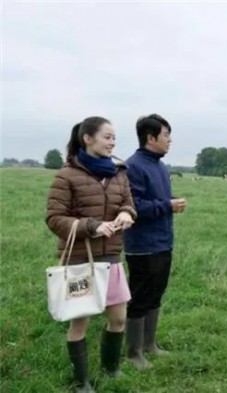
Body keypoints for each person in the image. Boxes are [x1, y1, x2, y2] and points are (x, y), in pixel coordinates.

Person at [46, 116, 137, 393]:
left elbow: (128, 203)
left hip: (111, 256)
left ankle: (111, 369)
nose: (112, 142)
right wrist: (92, 226)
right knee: (80, 321)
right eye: (107, 137)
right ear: (88, 138)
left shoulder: (119, 172)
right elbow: (54, 218)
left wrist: (126, 214)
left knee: (119, 318)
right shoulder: (67, 174)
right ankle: (81, 381)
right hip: (79, 259)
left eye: (114, 137)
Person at [123, 114, 186, 369]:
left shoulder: (160, 166)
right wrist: (167, 205)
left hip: (163, 242)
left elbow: (157, 203)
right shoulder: (133, 167)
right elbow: (133, 206)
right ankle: (133, 352)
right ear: (151, 138)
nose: (169, 141)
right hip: (142, 246)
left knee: (156, 294)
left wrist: (168, 206)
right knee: (139, 297)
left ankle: (150, 345)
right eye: (166, 135)